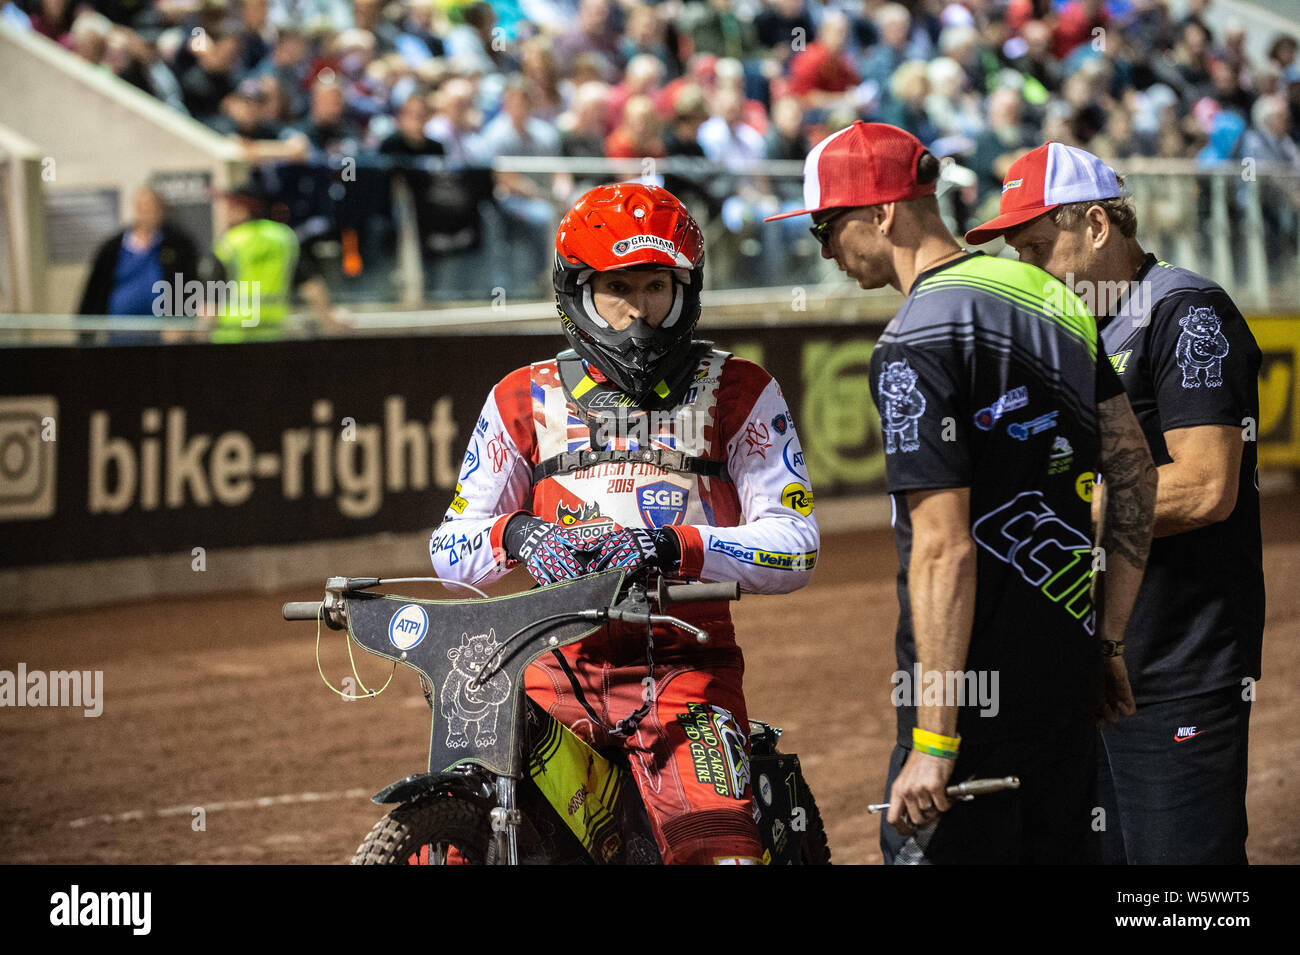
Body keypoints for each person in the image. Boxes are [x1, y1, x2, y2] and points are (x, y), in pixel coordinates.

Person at [766, 122, 1156, 864]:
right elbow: (1133, 472)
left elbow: (944, 547)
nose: (823, 250)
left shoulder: (914, 341)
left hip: (970, 710)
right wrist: (1107, 638)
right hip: (1065, 681)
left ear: (882, 212)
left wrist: (935, 740)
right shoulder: (1048, 293)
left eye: (826, 226)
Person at [429, 183, 820, 864]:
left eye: (656, 287)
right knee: (468, 835)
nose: (638, 314)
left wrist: (671, 546)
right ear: (576, 292)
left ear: (686, 289)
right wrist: (519, 536)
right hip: (552, 670)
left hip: (684, 670)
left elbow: (797, 545)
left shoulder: (742, 389)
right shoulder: (521, 396)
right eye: (617, 289)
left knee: (720, 853)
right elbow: (448, 545)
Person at [966, 142, 1265, 864]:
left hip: (1175, 669)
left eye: (1039, 247)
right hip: (1085, 670)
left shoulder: (1183, 312)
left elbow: (1207, 486)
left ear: (1097, 225)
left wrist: (1050, 506)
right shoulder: (1067, 332)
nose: (1028, 269)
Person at [207, 181, 333, 342]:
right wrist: (328, 324)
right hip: (274, 334)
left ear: (243, 209)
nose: (224, 213)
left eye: (229, 207)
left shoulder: (229, 244)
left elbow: (209, 307)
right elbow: (313, 288)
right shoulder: (284, 238)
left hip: (232, 336)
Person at [79, 186, 200, 342]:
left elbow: (190, 284)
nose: (147, 213)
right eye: (142, 208)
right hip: (119, 333)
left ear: (161, 210)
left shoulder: (178, 244)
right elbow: (94, 289)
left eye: (152, 207)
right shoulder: (112, 247)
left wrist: (181, 320)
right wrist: (86, 332)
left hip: (164, 335)